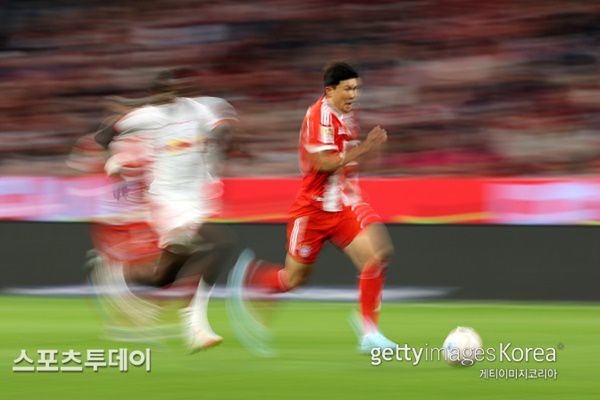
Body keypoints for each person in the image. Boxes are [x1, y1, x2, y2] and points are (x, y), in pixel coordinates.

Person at [229, 62, 396, 353]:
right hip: (312, 211)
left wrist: (365, 160)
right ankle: (254, 281)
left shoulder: (347, 115)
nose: (353, 95)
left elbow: (348, 160)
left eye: (356, 88)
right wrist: (365, 148)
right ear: (330, 91)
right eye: (348, 89)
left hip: (340, 207)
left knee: (376, 257)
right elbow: (323, 163)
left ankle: (369, 332)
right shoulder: (319, 116)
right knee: (293, 280)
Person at [83, 71, 238, 351]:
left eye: (172, 92)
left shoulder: (197, 109)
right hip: (167, 200)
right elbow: (105, 134)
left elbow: (221, 125)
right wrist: (113, 159)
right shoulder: (149, 116)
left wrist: (217, 145)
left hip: (196, 198)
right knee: (220, 244)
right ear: (155, 95)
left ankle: (118, 274)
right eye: (162, 94)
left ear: (177, 92)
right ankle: (195, 324)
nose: (167, 98)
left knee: (163, 278)